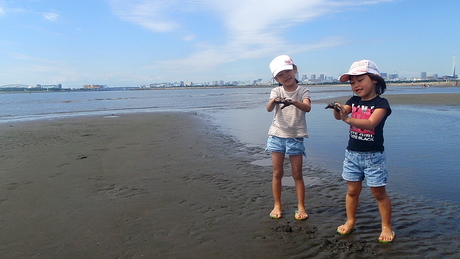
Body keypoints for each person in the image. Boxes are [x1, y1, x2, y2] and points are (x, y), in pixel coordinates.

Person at [329, 60, 395, 243]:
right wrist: (338, 109)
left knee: (378, 193)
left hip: (374, 156)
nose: (356, 85)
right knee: (352, 191)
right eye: (352, 82)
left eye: (360, 80)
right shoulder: (353, 101)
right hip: (352, 155)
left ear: (374, 80)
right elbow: (339, 115)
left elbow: (371, 123)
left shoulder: (382, 103)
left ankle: (386, 226)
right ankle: (350, 221)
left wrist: (347, 119)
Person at [266, 55, 311, 220]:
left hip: (296, 137)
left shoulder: (303, 90)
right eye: (280, 75)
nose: (285, 76)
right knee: (277, 172)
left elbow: (307, 107)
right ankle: (277, 204)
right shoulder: (276, 91)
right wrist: (275, 101)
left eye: (287, 71)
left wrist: (293, 102)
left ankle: (301, 206)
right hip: (277, 135)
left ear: (295, 70)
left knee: (297, 174)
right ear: (276, 78)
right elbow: (269, 108)